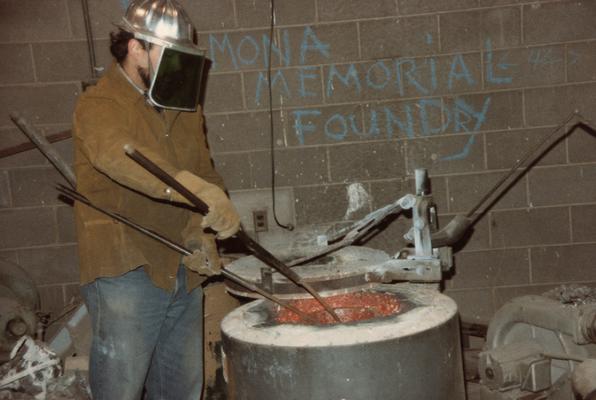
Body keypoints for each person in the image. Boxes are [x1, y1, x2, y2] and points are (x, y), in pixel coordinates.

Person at [72, 1, 240, 398]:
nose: (178, 68)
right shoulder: (99, 104)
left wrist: (207, 230)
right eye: (170, 55)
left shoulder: (182, 106)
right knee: (122, 389)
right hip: (127, 265)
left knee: (182, 388)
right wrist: (195, 190)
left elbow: (204, 171)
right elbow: (119, 154)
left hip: (182, 260)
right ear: (136, 48)